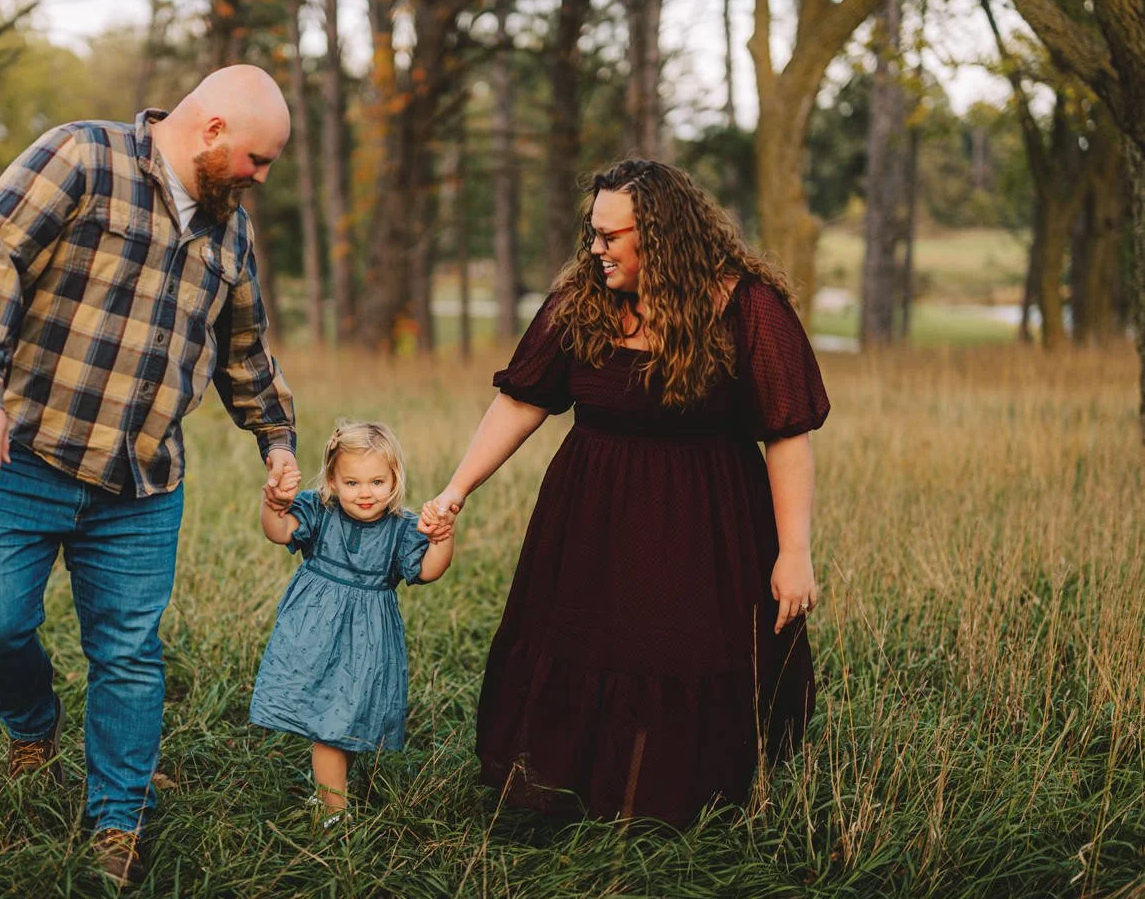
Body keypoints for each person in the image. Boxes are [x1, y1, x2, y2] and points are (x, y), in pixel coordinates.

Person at [0, 65, 300, 887]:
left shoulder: (229, 232)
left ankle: (117, 821)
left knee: (130, 654)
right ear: (211, 129)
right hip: (19, 457)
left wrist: (275, 439)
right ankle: (33, 726)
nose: (261, 177)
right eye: (257, 158)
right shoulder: (80, 158)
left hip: (141, 485)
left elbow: (244, 350)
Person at [419, 159, 830, 827]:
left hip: (706, 525)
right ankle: (567, 791)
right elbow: (524, 401)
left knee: (678, 650)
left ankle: (671, 803)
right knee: (582, 645)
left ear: (664, 236)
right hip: (590, 518)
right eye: (593, 233)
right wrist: (457, 488)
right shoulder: (583, 298)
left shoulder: (747, 306)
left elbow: (787, 436)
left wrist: (794, 552)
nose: (597, 248)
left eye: (614, 236)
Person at [252, 421, 455, 827]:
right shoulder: (320, 513)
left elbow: (428, 571)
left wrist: (442, 538)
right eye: (353, 482)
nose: (366, 493)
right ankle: (334, 813)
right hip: (316, 635)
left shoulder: (400, 528)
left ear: (395, 480)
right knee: (330, 723)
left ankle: (334, 788)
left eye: (378, 481)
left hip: (368, 641)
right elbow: (279, 533)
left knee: (352, 715)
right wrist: (274, 506)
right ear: (332, 480)